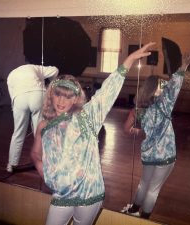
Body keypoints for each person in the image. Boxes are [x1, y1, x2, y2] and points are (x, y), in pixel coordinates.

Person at [30, 42, 156, 225]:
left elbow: (107, 91)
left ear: (75, 98)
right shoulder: (43, 125)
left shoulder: (87, 116)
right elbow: (35, 152)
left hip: (90, 192)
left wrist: (128, 60)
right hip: (62, 193)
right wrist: (39, 165)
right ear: (51, 95)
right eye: (58, 94)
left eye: (68, 96)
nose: (61, 100)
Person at [121, 51, 190, 219]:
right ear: (154, 88)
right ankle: (144, 219)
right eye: (161, 85)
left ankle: (134, 209)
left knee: (144, 184)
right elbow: (175, 85)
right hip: (165, 156)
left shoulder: (138, 110)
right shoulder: (164, 105)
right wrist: (184, 66)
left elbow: (127, 128)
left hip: (149, 154)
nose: (164, 86)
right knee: (153, 190)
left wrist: (140, 130)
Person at [6, 64, 59, 173]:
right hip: (37, 94)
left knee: (18, 132)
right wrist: (50, 85)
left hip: (19, 97)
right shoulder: (36, 68)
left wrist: (14, 105)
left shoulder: (11, 74)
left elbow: (12, 94)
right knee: (39, 132)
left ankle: (11, 164)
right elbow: (55, 70)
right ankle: (44, 163)